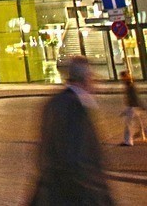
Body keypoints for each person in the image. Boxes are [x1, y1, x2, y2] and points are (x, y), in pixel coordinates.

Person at [29, 55, 112, 206]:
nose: (95, 83)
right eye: (92, 77)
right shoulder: (75, 107)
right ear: (85, 78)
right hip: (72, 195)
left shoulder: (55, 102)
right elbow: (77, 159)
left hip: (56, 191)